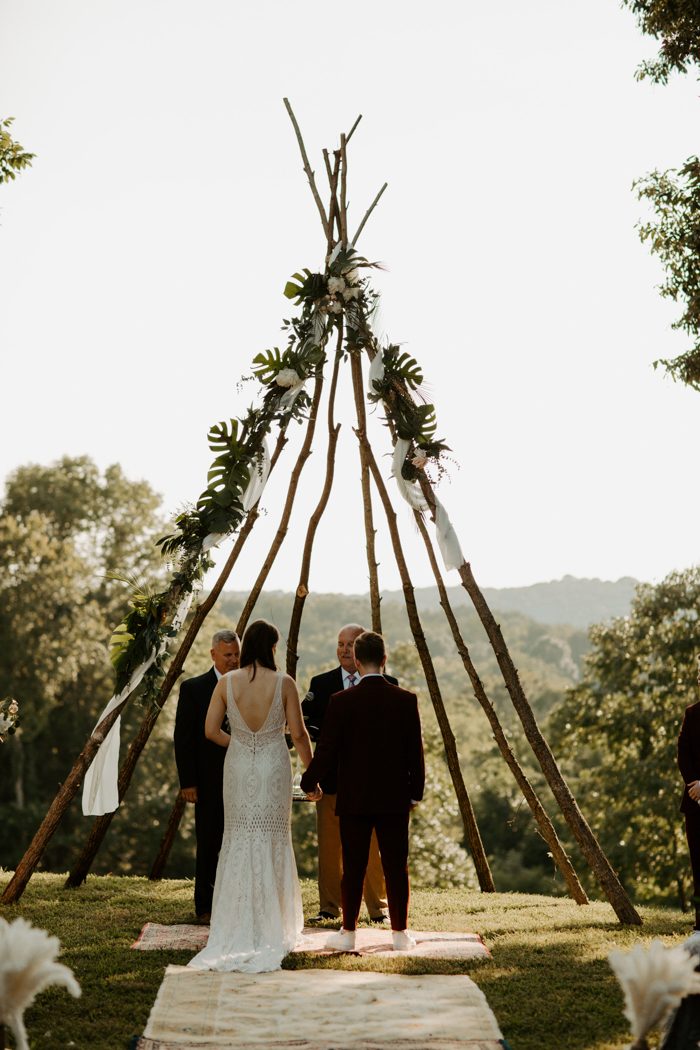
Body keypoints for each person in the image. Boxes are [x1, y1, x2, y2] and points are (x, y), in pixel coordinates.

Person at [189, 619, 320, 973]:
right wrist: (311, 776)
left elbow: (209, 730)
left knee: (239, 838)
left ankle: (236, 922)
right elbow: (299, 733)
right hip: (273, 767)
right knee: (273, 839)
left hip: (237, 767)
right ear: (272, 648)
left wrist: (242, 745)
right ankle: (272, 924)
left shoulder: (227, 682)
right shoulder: (284, 683)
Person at [301, 630, 424, 952]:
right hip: (394, 797)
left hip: (353, 796)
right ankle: (399, 933)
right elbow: (415, 752)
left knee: (353, 866)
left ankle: (348, 932)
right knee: (397, 866)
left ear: (356, 660)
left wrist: (308, 779)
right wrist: (416, 793)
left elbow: (326, 750)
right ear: (384, 659)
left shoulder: (341, 701)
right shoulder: (406, 699)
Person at [302, 623, 394, 923]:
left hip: (371, 782)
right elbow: (306, 723)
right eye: (340, 643)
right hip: (331, 779)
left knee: (372, 848)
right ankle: (329, 907)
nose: (344, 649)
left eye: (350, 644)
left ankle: (378, 908)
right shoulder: (321, 682)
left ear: (362, 648)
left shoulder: (388, 683)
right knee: (330, 847)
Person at [174, 628, 240, 922]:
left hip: (241, 776)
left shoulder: (246, 685)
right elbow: (183, 738)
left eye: (237, 654)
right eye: (228, 655)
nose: (233, 660)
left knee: (237, 842)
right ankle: (205, 906)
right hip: (207, 779)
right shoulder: (194, 688)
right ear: (213, 654)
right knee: (209, 841)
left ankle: (235, 902)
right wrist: (188, 782)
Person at [678, 676, 700, 931]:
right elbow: (682, 753)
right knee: (698, 865)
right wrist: (695, 785)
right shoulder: (692, 713)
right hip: (695, 804)